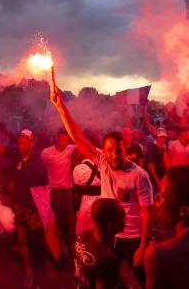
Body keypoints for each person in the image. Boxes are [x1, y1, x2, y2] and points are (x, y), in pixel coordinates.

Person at [50, 81, 153, 284]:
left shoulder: (140, 175)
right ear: (104, 152)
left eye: (119, 150)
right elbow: (78, 137)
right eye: (110, 150)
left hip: (132, 236)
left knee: (143, 278)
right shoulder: (102, 162)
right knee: (104, 278)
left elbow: (148, 212)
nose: (114, 154)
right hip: (108, 235)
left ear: (126, 149)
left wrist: (143, 246)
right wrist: (60, 106)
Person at [0, 124, 52, 287]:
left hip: (34, 208)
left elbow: (44, 186)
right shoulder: (15, 155)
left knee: (42, 237)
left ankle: (48, 263)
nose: (20, 146)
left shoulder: (38, 161)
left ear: (31, 143)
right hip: (19, 206)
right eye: (19, 143)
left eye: (24, 144)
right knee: (22, 240)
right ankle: (28, 271)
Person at [74, 198, 141, 289]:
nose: (126, 221)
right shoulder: (109, 259)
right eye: (123, 218)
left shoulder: (83, 236)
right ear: (111, 224)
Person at [41, 128, 78, 263]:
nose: (64, 142)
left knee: (71, 219)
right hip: (54, 190)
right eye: (62, 139)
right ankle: (61, 246)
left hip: (67, 189)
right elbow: (42, 169)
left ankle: (72, 245)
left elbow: (82, 145)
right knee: (57, 220)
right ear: (56, 138)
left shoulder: (70, 149)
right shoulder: (46, 153)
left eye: (66, 139)